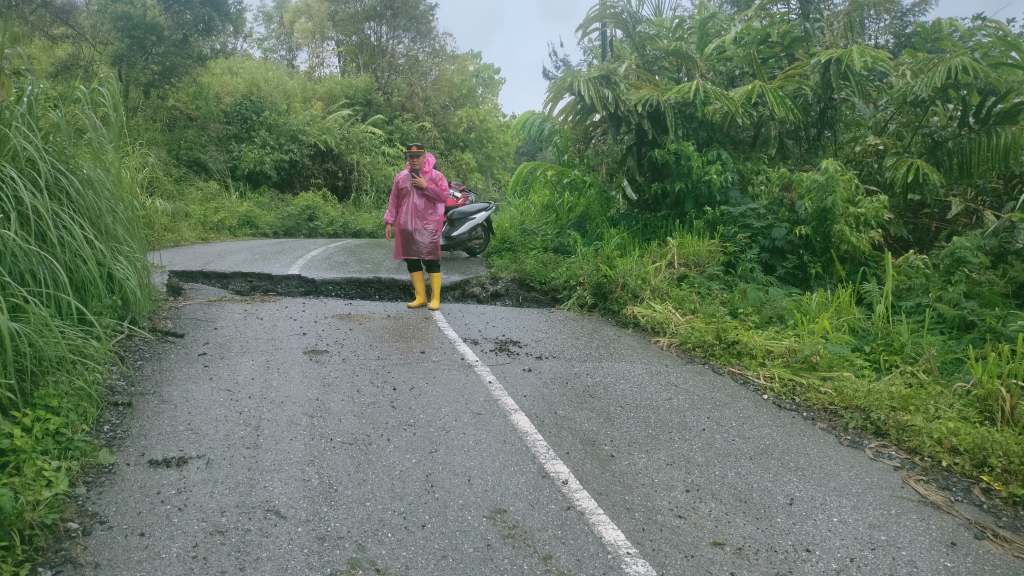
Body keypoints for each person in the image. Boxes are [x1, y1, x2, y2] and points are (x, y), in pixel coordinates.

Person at [384, 143, 450, 311]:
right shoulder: (401, 177)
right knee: (412, 261)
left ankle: (435, 299)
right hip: (406, 226)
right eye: (410, 156)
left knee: (431, 261)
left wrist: (426, 186)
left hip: (428, 227)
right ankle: (420, 297)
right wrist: (389, 222)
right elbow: (394, 201)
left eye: (417, 156)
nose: (413, 160)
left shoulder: (436, 176)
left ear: (424, 156)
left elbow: (444, 196)